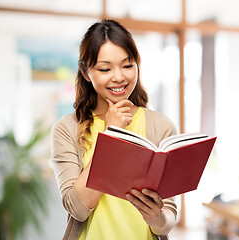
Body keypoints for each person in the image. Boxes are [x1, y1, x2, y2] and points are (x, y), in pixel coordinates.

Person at [50, 19, 177, 240]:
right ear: (86, 72)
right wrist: (110, 135)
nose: (119, 77)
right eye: (105, 69)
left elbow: (166, 221)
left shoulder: (160, 126)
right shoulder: (66, 129)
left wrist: (157, 217)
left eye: (127, 65)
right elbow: (78, 209)